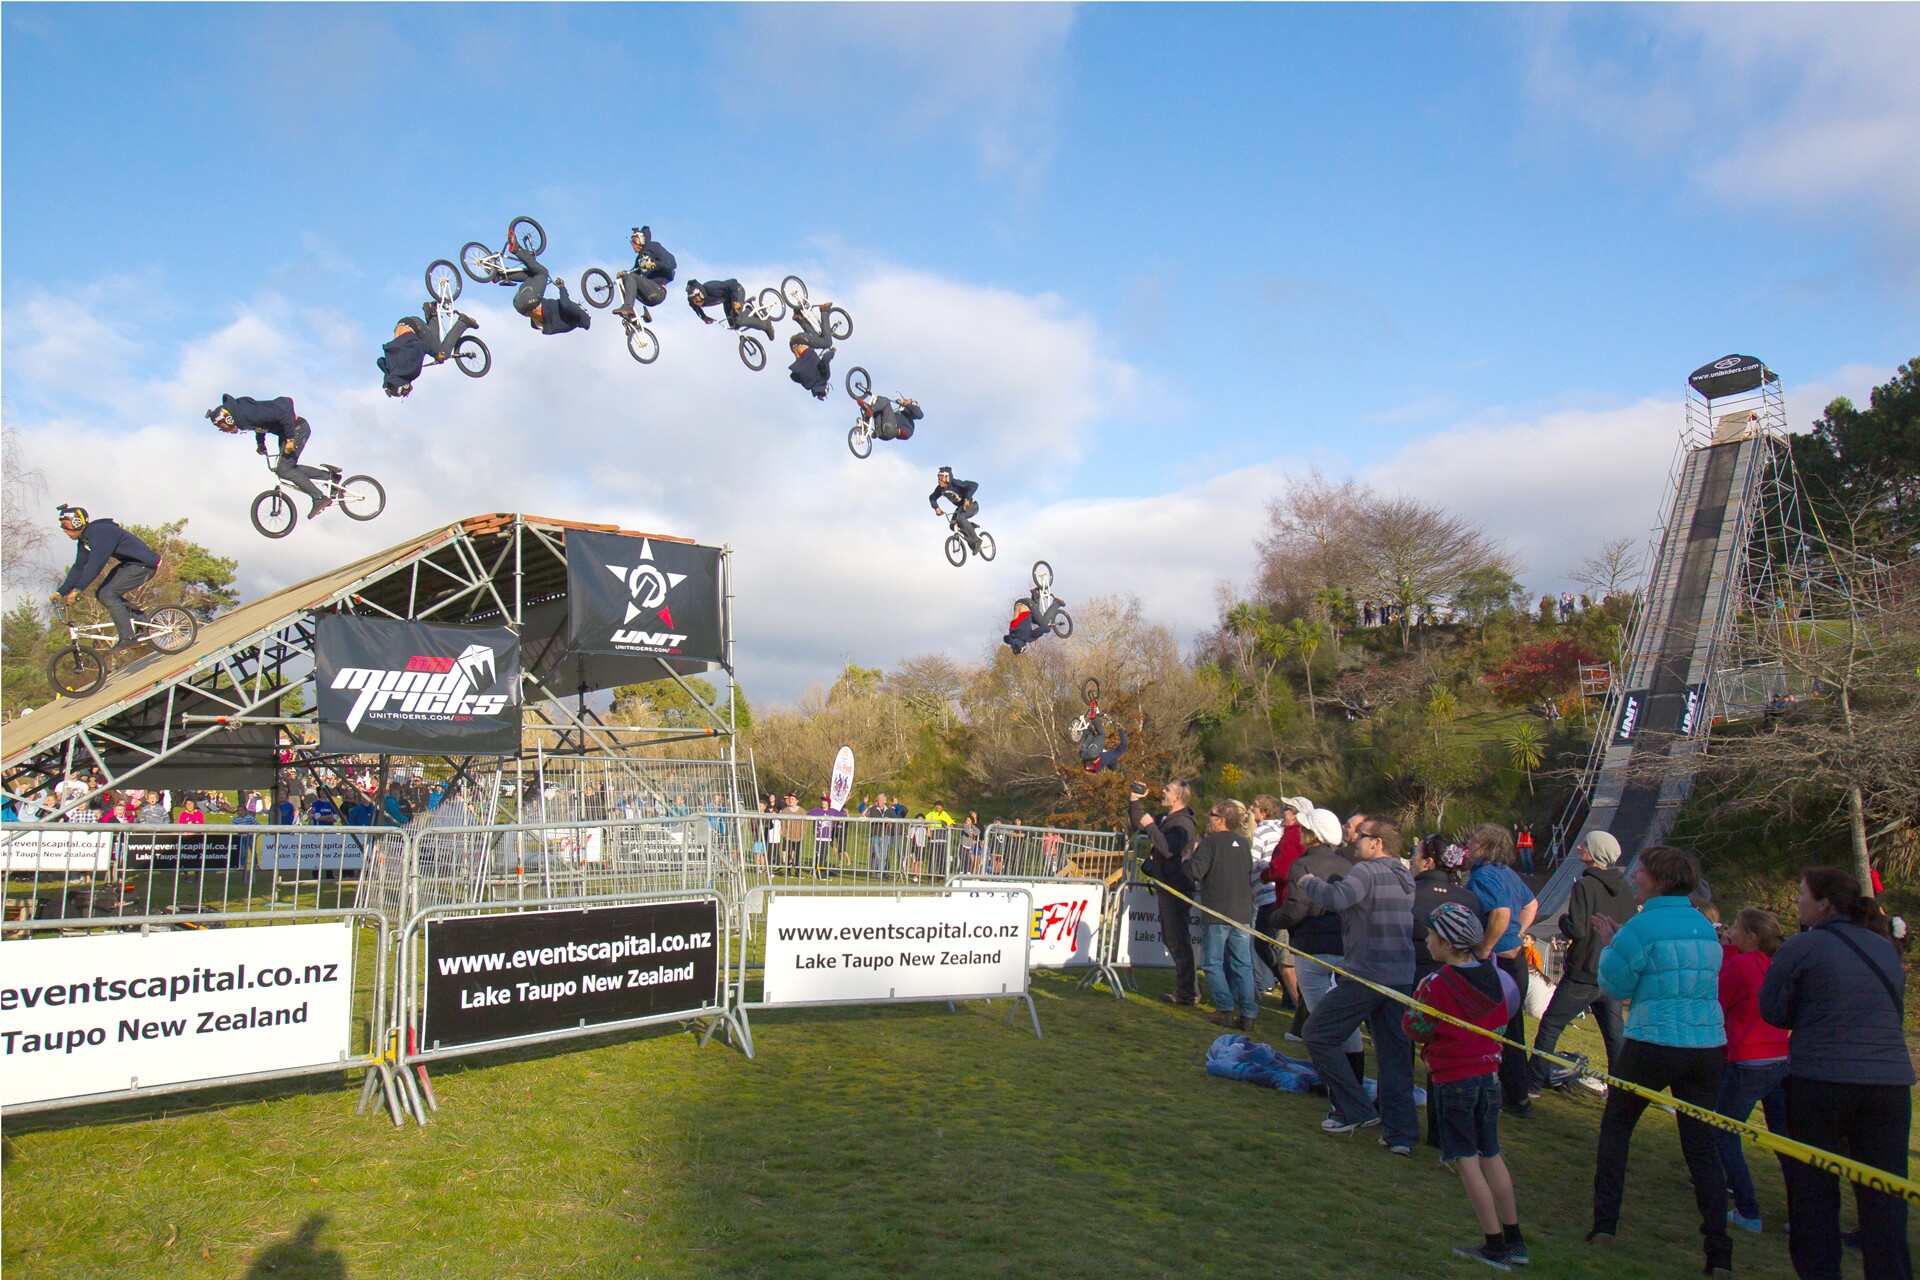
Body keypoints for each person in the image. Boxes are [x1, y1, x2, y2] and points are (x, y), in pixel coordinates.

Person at [1759, 868, 1913, 1280]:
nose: (1797, 902)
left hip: (1822, 1079)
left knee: (1813, 1189)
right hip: (1888, 1083)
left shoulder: (1802, 946)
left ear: (1824, 904)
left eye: (1802, 895)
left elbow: (1772, 1009)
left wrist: (1809, 1015)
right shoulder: (1884, 948)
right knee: (1885, 1192)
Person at [1585, 844, 1730, 1274]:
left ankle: (1605, 1224)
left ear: (1661, 880)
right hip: (1706, 1045)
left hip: (1654, 1041)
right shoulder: (1703, 927)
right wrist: (1623, 941)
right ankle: (1719, 1250)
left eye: (1642, 871)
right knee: (1701, 1147)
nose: (1635, 876)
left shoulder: (1643, 926)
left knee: (1617, 1129)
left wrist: (1611, 945)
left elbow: (1615, 986)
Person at [1405, 901, 1528, 1269]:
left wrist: (1418, 1005)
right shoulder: (1494, 977)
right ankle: (1515, 1240)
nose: (1427, 940)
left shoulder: (1436, 984)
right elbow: (1502, 1020)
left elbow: (1415, 1028)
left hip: (1454, 1080)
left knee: (1466, 1159)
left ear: (1447, 944)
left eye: (1431, 935)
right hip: (1489, 1078)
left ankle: (1494, 1245)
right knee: (1491, 1152)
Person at [1292, 816, 1419, 1153]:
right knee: (1395, 1058)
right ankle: (1401, 1135)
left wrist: (1309, 883)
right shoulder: (1405, 875)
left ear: (1377, 843)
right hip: (1400, 976)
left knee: (1317, 1033)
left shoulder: (1366, 871)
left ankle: (1354, 1109)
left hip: (1367, 974)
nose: (1355, 840)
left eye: (1361, 835)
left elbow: (1338, 898)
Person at [1531, 829, 1632, 1095]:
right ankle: (1621, 1093)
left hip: (1583, 972)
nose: (1579, 847)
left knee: (1551, 1025)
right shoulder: (1624, 888)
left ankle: (1532, 1085)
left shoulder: (1585, 886)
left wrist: (1563, 921)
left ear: (1596, 851)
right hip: (1611, 972)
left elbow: (1576, 929)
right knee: (1614, 1037)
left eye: (1585, 844)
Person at [1714, 907, 1791, 1235]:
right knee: (1784, 1139)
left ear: (1752, 936)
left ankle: (1747, 1210)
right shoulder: (1773, 967)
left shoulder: (1743, 965)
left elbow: (1717, 997)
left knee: (1724, 1131)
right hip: (1779, 1057)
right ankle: (1802, 1212)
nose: (1730, 931)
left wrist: (1727, 952)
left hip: (1749, 1059)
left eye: (1736, 927)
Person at [1463, 824, 1539, 1116]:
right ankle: (1517, 1094)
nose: (1469, 843)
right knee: (1512, 1028)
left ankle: (1505, 1092)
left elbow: (1501, 913)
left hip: (1498, 961)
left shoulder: (1485, 875)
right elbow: (1531, 905)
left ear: (1486, 845)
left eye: (1474, 839)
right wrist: (1517, 935)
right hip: (1514, 957)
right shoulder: (1507, 873)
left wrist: (1486, 947)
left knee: (1491, 1026)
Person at [1273, 808, 1358, 1060]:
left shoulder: (1302, 864)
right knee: (1343, 1019)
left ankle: (1334, 1075)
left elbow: (1296, 909)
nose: (1300, 831)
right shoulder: (1347, 865)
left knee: (1320, 1020)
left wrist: (1274, 918)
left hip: (1311, 947)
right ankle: (1352, 1071)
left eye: (1305, 828)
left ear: (1314, 835)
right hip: (1344, 946)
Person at [53, 506, 163, 651]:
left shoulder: (99, 532)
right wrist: (61, 592)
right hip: (130, 564)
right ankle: (141, 620)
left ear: (77, 523)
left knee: (108, 594)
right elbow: (79, 567)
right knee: (102, 594)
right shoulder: (85, 540)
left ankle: (128, 638)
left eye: (65, 526)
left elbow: (96, 563)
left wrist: (79, 589)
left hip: (144, 565)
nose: (64, 530)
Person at [207, 395, 335, 517]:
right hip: (287, 433)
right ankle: (329, 477)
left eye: (222, 427)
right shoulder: (242, 417)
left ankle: (319, 498)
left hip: (297, 429)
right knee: (286, 468)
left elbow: (282, 413)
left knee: (284, 469)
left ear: (228, 419)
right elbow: (259, 426)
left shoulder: (247, 412)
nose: (223, 431)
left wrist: (290, 439)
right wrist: (260, 443)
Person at [1191, 799, 1258, 1031]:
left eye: (1211, 815)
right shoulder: (1244, 844)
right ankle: (1248, 1014)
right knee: (1243, 964)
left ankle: (1225, 1008)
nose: (1207, 818)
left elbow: (1195, 871)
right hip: (1242, 912)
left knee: (1212, 962)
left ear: (1221, 820)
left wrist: (1187, 859)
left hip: (1217, 912)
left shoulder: (1210, 843)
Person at [1130, 779, 1198, 1006]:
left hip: (1176, 887)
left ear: (1177, 797)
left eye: (1167, 790)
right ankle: (1188, 989)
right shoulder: (1166, 818)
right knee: (1171, 939)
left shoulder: (1183, 824)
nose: (1162, 791)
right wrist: (1134, 801)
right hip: (1166, 886)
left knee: (1178, 940)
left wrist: (1151, 827)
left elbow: (1168, 849)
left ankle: (1187, 992)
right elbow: (1139, 822)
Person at [613, 225, 676, 320]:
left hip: (658, 291)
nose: (633, 245)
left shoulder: (654, 247)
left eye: (635, 241)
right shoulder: (639, 258)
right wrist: (623, 273)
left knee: (630, 277)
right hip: (647, 295)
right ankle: (633, 318)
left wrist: (654, 264)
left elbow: (672, 263)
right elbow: (634, 274)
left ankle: (628, 306)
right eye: (631, 242)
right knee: (625, 279)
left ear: (642, 240)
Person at [686, 279, 773, 337]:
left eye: (696, 300)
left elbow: (733, 283)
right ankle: (749, 312)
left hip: (736, 291)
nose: (696, 303)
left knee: (739, 320)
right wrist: (704, 317)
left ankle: (766, 325)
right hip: (727, 300)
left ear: (701, 294)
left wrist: (735, 301)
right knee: (734, 325)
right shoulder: (693, 302)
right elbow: (696, 308)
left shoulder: (711, 288)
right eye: (693, 301)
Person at [929, 468, 982, 548]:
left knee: (960, 518)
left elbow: (974, 485)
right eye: (938, 478)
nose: (939, 480)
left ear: (947, 478)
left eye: (942, 478)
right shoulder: (940, 489)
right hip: (960, 508)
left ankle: (976, 540)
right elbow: (932, 498)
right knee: (952, 525)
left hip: (972, 505)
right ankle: (969, 528)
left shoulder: (955, 483)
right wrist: (936, 508)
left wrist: (968, 499)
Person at [858, 392, 923, 442]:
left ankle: (870, 409)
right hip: (881, 432)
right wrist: (879, 401)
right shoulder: (898, 415)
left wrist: (907, 404)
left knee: (886, 401)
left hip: (890, 430)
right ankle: (865, 424)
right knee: (880, 406)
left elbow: (920, 415)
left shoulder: (910, 422)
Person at [787, 333, 834, 399]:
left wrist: (831, 352)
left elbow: (825, 360)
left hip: (802, 342)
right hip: (792, 346)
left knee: (827, 342)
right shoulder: (807, 386)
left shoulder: (824, 377)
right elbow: (793, 377)